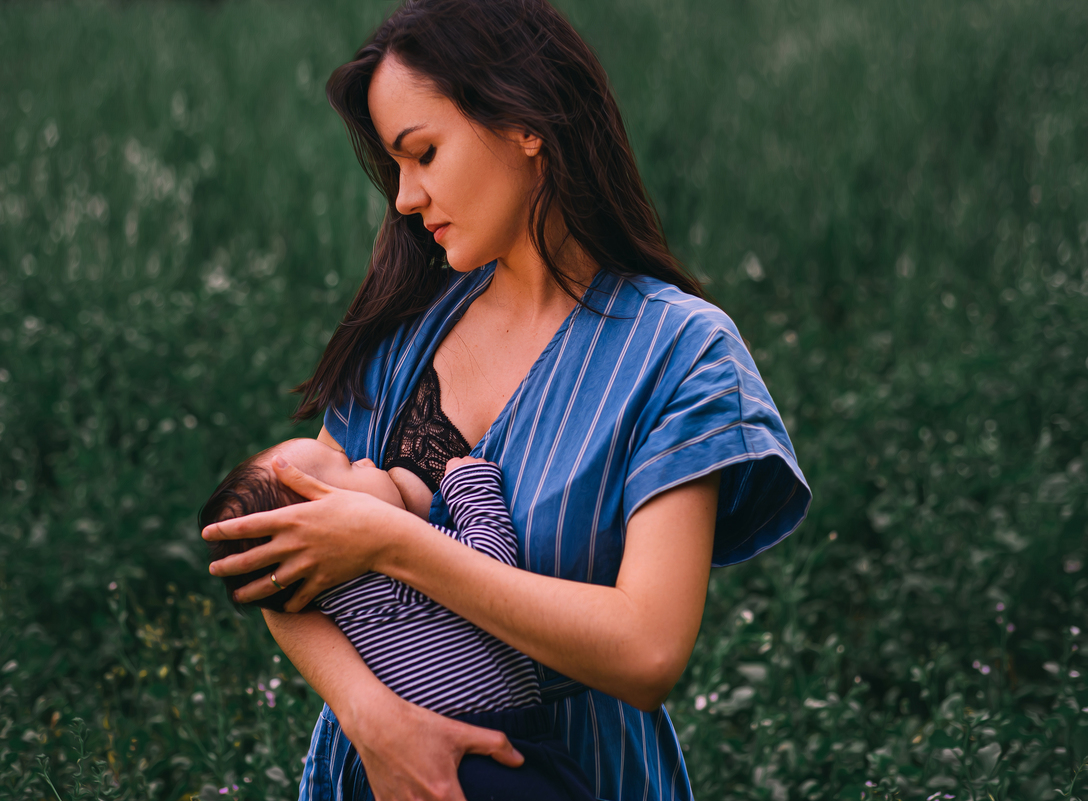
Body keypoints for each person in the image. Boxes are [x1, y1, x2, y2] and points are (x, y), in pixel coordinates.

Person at [202, 0, 811, 798]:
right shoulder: (402, 326)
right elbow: (283, 547)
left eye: (423, 154)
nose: (405, 199)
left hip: (576, 775)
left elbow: (648, 653)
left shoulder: (680, 352)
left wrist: (391, 543)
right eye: (396, 167)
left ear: (526, 124)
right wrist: (375, 720)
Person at [200, 439, 596, 800]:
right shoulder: (390, 575)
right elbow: (491, 566)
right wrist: (469, 486)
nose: (368, 458)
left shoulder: (327, 604)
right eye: (351, 465)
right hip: (483, 749)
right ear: (320, 517)